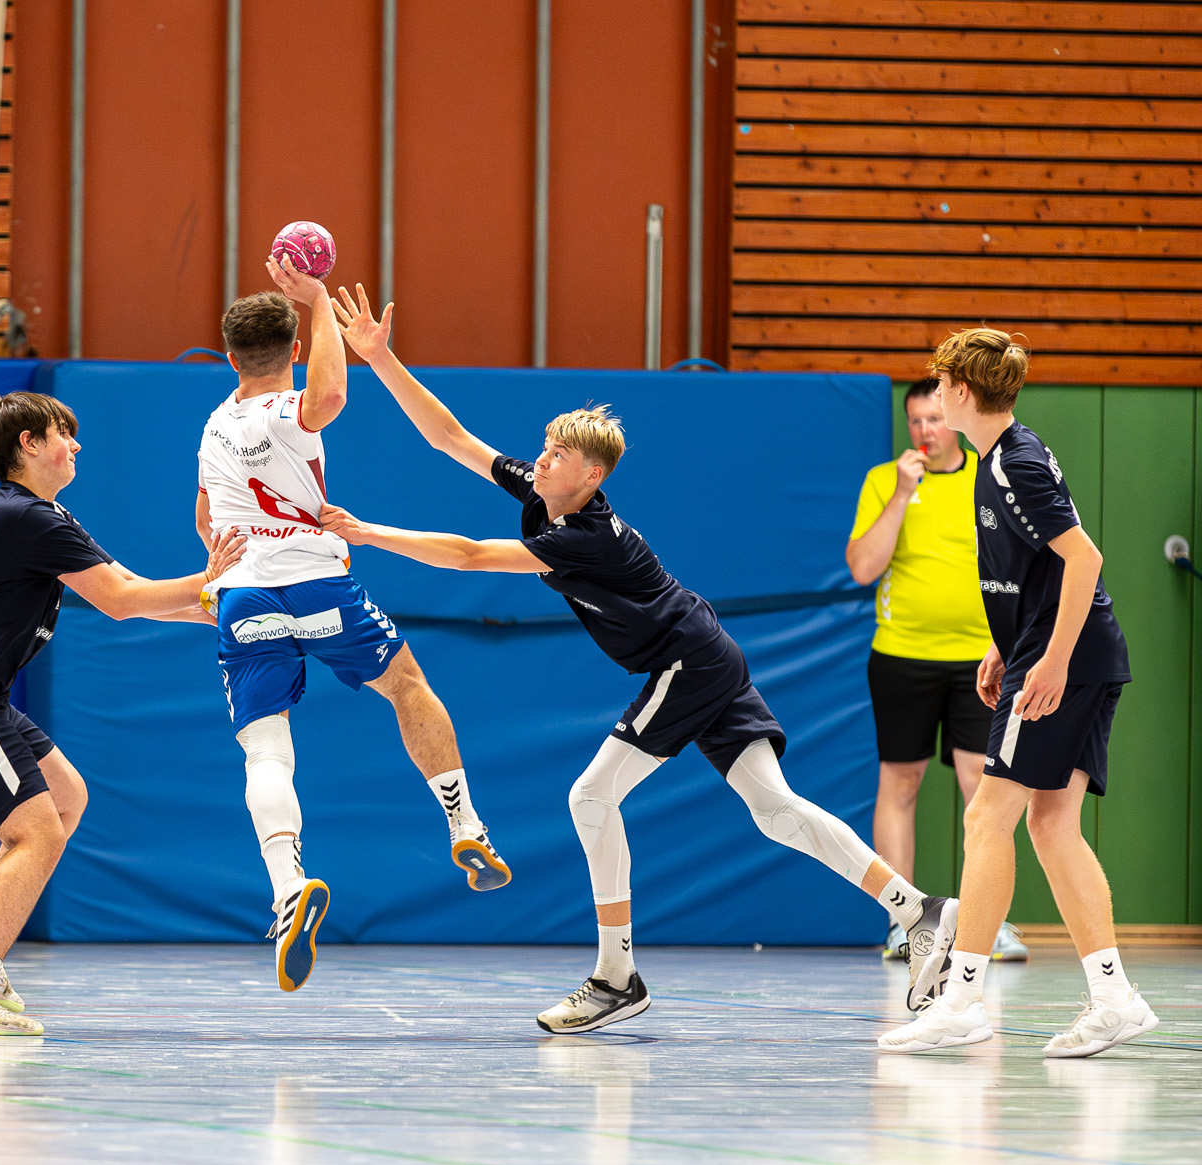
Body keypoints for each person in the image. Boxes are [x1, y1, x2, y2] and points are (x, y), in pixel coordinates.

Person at [319, 285, 955, 1035]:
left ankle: (616, 974)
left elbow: (465, 555)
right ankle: (919, 911)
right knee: (775, 810)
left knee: (590, 798)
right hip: (704, 654)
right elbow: (450, 436)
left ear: (592, 477)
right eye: (546, 447)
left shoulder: (582, 535)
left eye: (559, 455)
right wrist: (380, 356)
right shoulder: (545, 492)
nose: (543, 457)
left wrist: (366, 531)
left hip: (688, 660)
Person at [0, 391, 245, 1037]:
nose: (76, 444)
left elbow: (130, 589)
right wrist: (211, 581)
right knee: (37, 832)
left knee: (66, 798)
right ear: (28, 443)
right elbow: (122, 601)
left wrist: (217, 605)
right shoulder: (28, 519)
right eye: (63, 433)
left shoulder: (42, 514)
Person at [197, 260, 509, 996]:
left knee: (265, 751)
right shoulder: (286, 409)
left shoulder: (214, 424)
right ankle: (464, 825)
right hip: (316, 580)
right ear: (293, 353)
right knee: (405, 686)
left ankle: (286, 888)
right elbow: (329, 396)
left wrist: (219, 573)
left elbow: (207, 522)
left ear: (231, 356)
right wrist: (318, 305)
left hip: (240, 593)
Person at [878, 331, 1157, 1057]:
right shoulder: (998, 459)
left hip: (1065, 661)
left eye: (940, 387)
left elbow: (1083, 557)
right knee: (1050, 826)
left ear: (964, 394)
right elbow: (1035, 567)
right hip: (1067, 652)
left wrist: (1051, 658)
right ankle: (1114, 997)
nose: (933, 399)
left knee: (987, 815)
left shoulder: (1016, 465)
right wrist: (1004, 642)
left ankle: (962, 997)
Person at [848, 378, 1026, 964]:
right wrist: (902, 494)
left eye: (935, 418)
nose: (926, 431)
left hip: (982, 659)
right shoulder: (883, 481)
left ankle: (985, 922)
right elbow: (862, 569)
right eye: (916, 421)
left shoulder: (990, 476)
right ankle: (904, 924)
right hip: (901, 657)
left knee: (984, 788)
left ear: (954, 418)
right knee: (901, 784)